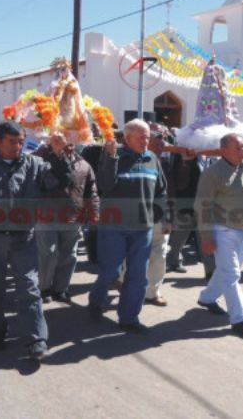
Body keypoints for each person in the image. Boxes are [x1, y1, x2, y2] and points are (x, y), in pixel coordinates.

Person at [0, 121, 73, 359]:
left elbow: (61, 181)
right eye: (12, 141)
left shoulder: (35, 164)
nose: (18, 146)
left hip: (24, 238)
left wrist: (60, 154)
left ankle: (36, 339)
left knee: (29, 289)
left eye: (21, 141)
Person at [88, 119, 167, 334]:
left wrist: (161, 216)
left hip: (143, 228)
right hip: (114, 226)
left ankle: (129, 318)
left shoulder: (153, 159)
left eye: (148, 137)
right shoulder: (114, 156)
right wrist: (110, 158)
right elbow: (104, 186)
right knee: (110, 272)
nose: (146, 141)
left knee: (138, 275)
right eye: (141, 137)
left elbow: (161, 191)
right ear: (127, 138)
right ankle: (96, 300)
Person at [194, 134, 243, 335]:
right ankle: (239, 320)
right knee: (232, 274)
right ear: (223, 151)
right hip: (222, 230)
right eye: (237, 148)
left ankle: (207, 298)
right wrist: (206, 236)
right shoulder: (212, 173)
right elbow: (201, 204)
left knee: (227, 270)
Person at [33, 137, 99, 305]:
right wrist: (57, 156)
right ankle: (44, 288)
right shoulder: (40, 160)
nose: (67, 144)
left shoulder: (83, 164)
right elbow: (47, 183)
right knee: (48, 254)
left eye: (71, 140)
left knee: (69, 255)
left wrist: (94, 211)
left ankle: (61, 289)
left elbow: (91, 190)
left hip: (73, 217)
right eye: (62, 140)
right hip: (46, 215)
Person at [166, 149, 216, 278]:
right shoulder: (181, 154)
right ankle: (173, 261)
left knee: (204, 237)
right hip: (185, 203)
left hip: (206, 205)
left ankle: (210, 270)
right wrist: (186, 162)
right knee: (179, 237)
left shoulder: (212, 156)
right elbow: (178, 182)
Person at [143, 131, 172, 306]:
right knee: (134, 255)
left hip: (160, 218)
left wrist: (168, 217)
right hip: (138, 218)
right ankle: (124, 280)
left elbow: (170, 192)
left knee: (159, 255)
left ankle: (152, 292)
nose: (161, 148)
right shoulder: (138, 162)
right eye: (157, 144)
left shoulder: (167, 163)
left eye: (162, 145)